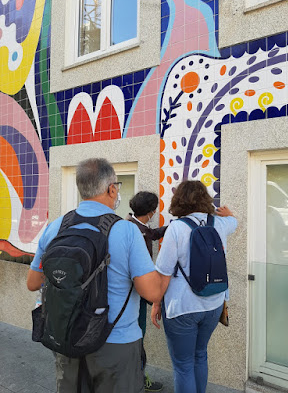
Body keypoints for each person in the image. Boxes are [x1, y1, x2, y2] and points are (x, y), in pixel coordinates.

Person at [27, 158, 163, 393]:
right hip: (116, 342)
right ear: (111, 189)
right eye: (116, 187)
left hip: (66, 337)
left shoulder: (56, 227)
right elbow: (151, 292)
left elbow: (33, 282)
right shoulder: (126, 230)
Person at [150, 180, 237, 393]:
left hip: (183, 307)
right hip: (214, 304)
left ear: (179, 200)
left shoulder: (176, 228)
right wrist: (229, 213)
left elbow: (163, 273)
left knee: (183, 366)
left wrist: (156, 303)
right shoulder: (219, 224)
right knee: (200, 355)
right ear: (205, 200)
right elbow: (235, 222)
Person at [127, 191, 167, 392]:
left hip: (133, 292)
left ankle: (136, 376)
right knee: (138, 335)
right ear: (151, 212)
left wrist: (171, 227)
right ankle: (138, 378)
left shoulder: (133, 224)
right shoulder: (136, 231)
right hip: (137, 293)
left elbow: (153, 234)